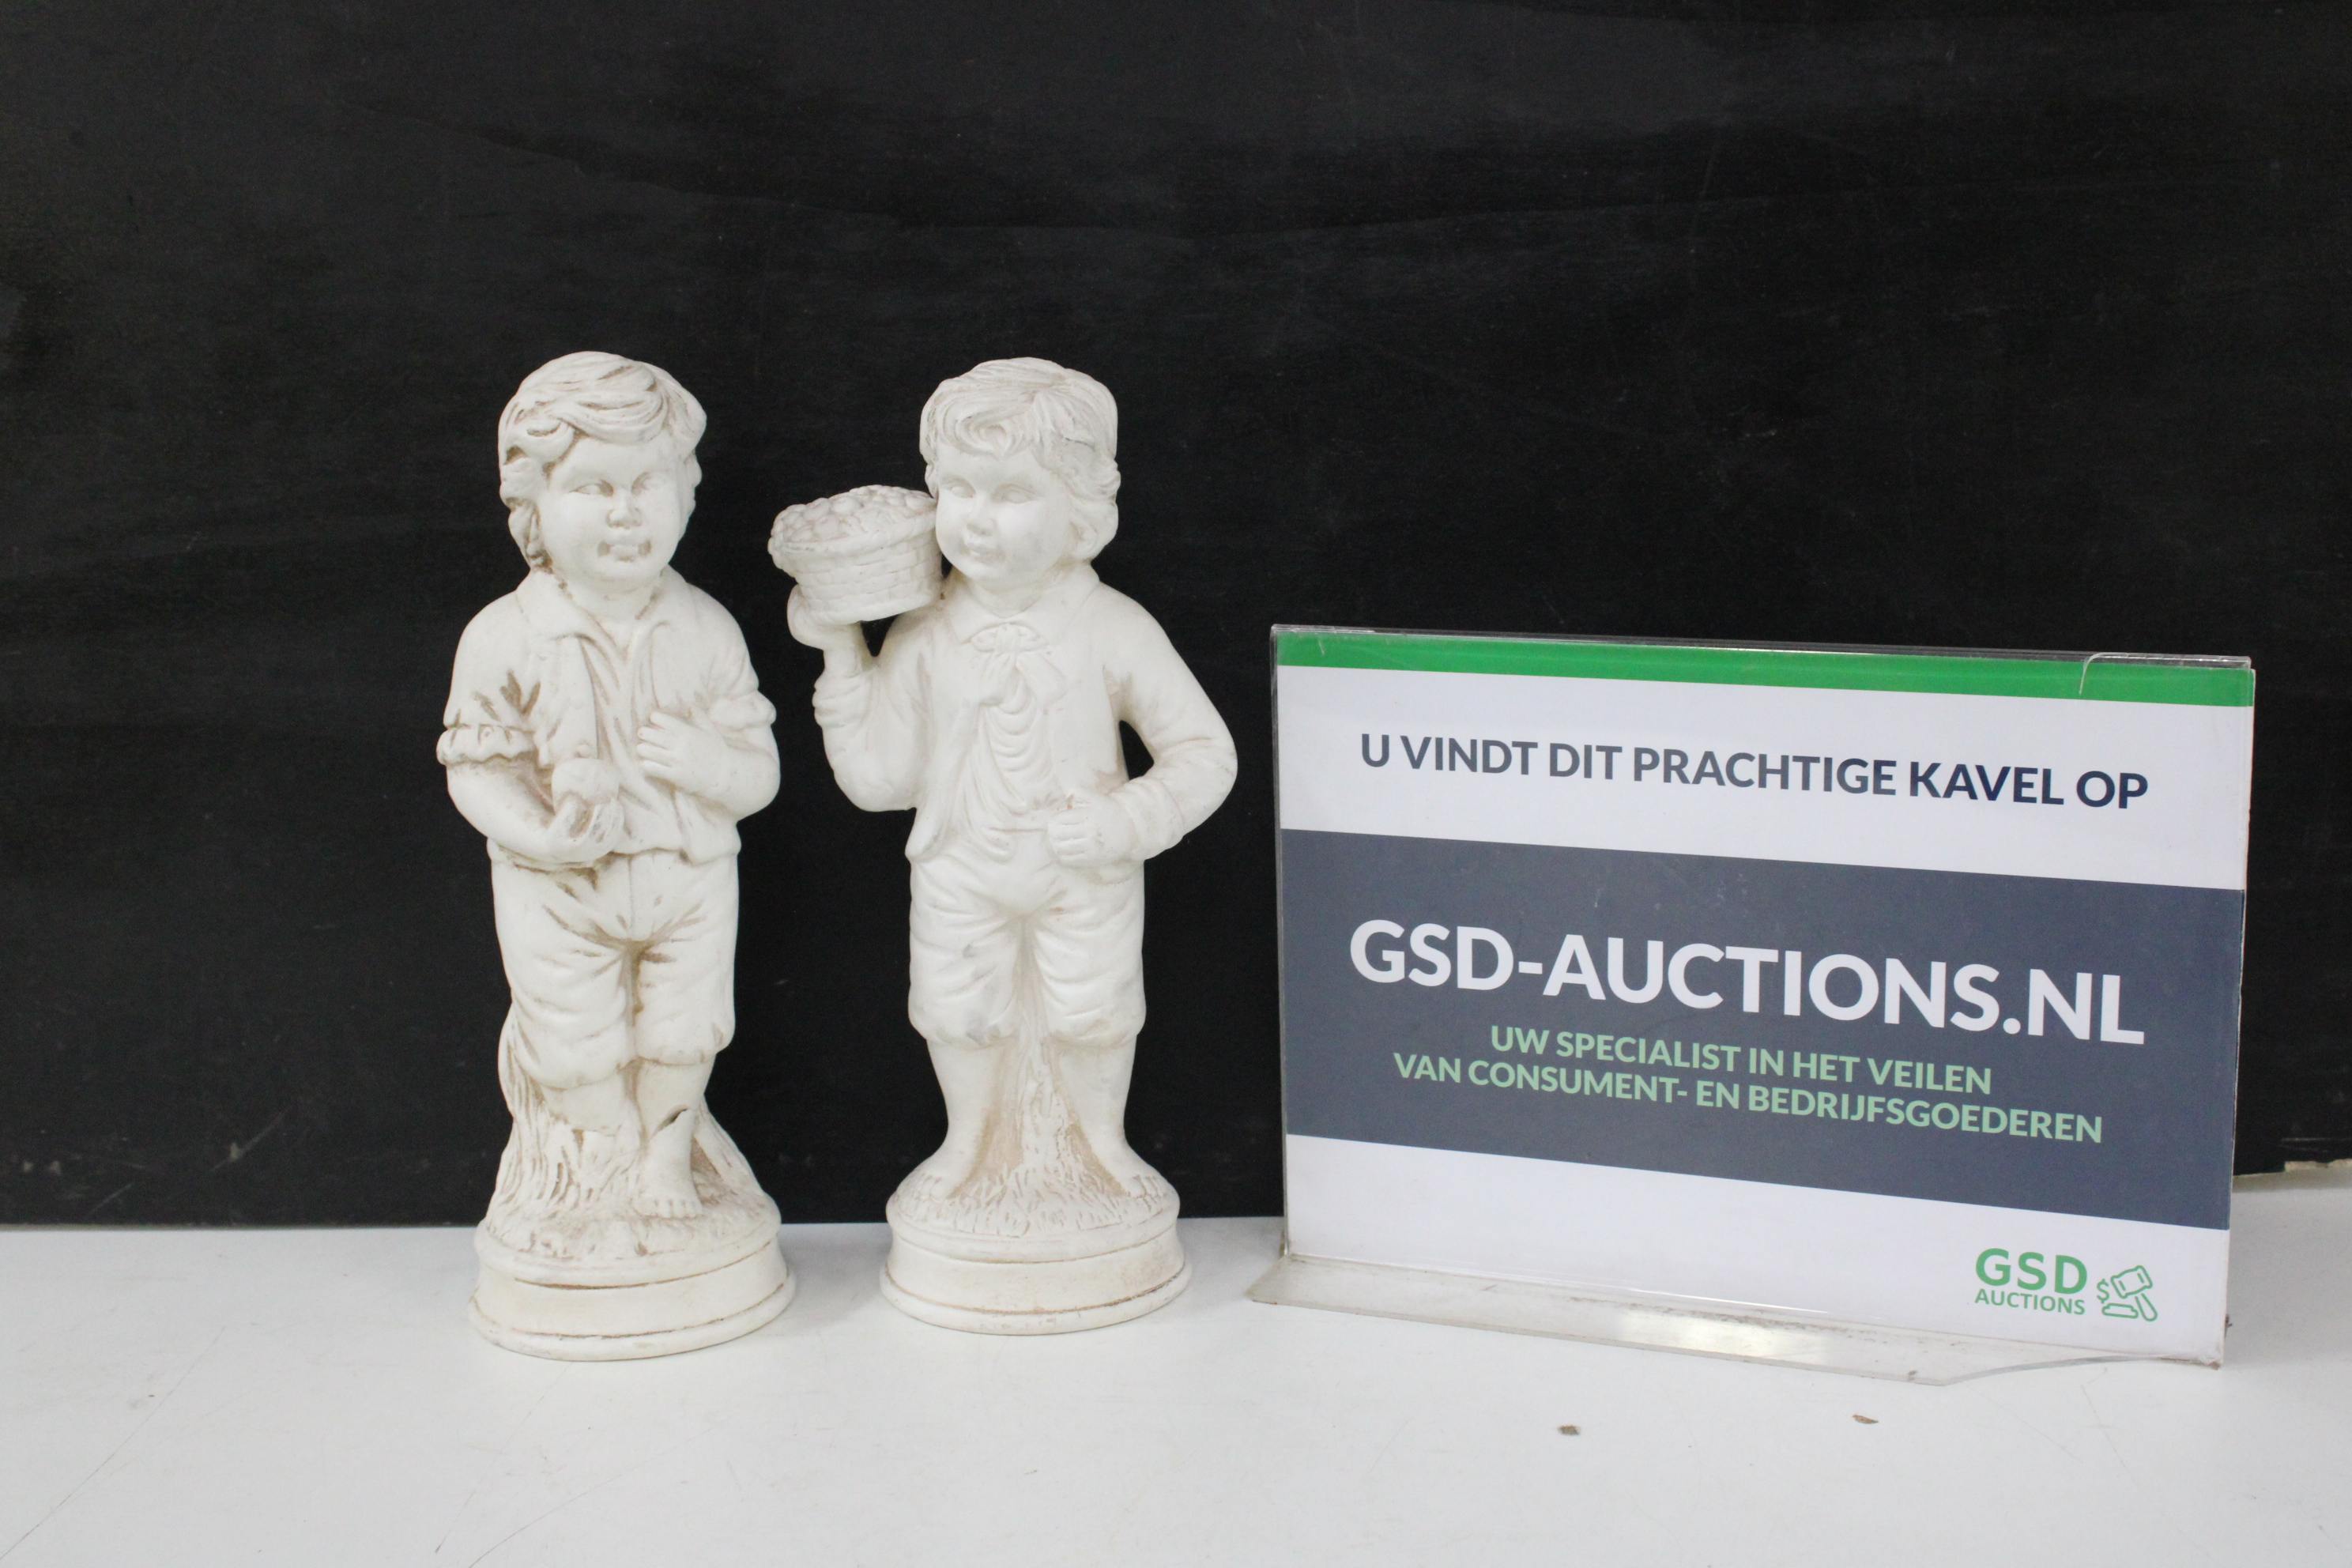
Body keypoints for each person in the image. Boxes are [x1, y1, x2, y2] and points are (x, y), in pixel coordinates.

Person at [790, 357, 1236, 1204]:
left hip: (1083, 868)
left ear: (1083, 514)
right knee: (957, 1009)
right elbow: (879, 782)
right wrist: (844, 657)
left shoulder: (1112, 627)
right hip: (960, 863)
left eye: (1012, 493)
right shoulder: (923, 633)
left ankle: (1102, 1143)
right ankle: (969, 1142)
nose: (977, 519)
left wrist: (1126, 820)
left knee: (1095, 1008)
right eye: (958, 489)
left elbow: (1205, 753)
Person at [440, 352, 779, 1219]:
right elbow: (477, 770)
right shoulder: (503, 634)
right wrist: (541, 835)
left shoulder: (707, 628)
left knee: (687, 1032)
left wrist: (708, 766)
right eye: (594, 487)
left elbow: (759, 776)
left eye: (649, 484)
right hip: (558, 887)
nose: (626, 512)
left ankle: (666, 1159)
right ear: (533, 507)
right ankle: (604, 1153)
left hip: (687, 876)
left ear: (685, 496)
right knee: (572, 1046)